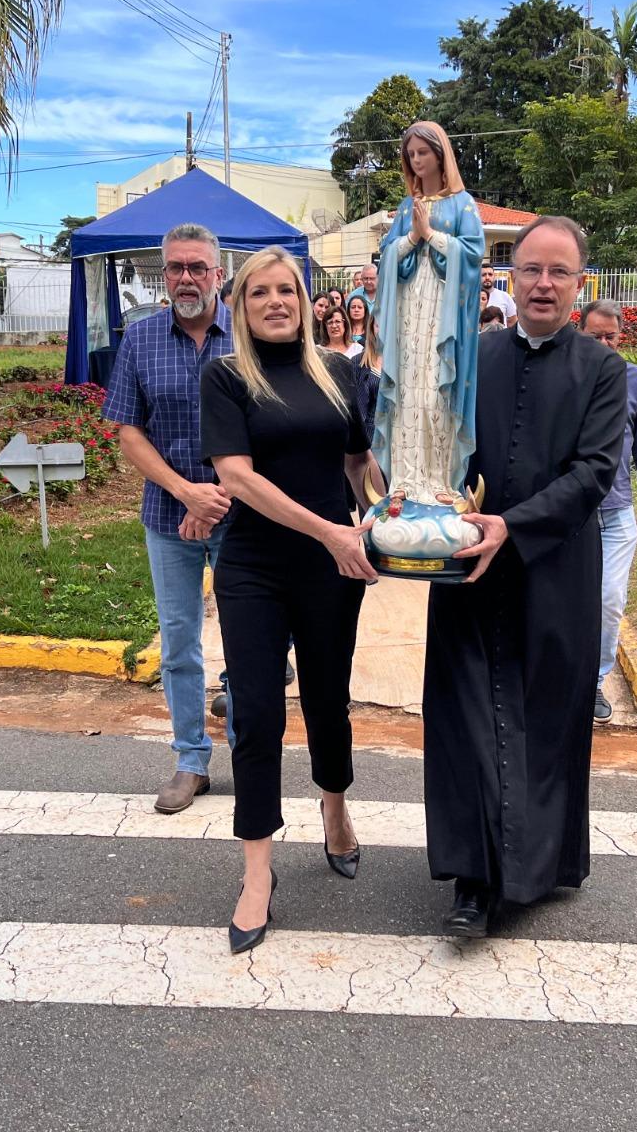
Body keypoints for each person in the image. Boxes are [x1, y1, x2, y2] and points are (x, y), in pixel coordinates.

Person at [423, 215, 628, 938]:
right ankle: (474, 883)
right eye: (531, 270)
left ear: (580, 284)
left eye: (558, 272)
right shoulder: (474, 357)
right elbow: (442, 450)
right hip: (469, 569)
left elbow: (595, 473)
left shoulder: (604, 371)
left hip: (553, 572)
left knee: (543, 724)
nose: (543, 284)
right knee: (466, 720)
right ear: (512, 278)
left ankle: (536, 870)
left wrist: (513, 526)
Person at [200, 245, 381, 954]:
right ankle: (256, 871)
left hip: (333, 567)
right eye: (258, 293)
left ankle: (335, 808)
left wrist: (392, 516)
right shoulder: (225, 377)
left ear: (306, 302)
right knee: (256, 713)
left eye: (287, 290)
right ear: (240, 306)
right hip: (254, 566)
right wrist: (330, 532)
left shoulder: (339, 372)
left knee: (330, 698)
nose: (276, 301)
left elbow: (358, 462)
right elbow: (237, 478)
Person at [103, 223, 235, 815]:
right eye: (176, 267)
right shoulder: (140, 338)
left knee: (252, 637)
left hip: (243, 516)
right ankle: (190, 760)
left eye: (197, 267)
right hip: (167, 515)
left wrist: (217, 499)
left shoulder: (251, 335)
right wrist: (188, 495)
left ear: (219, 274)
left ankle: (251, 749)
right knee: (180, 642)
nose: (186, 278)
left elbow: (271, 428)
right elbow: (128, 433)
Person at [371, 121, 485, 512]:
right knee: (406, 391)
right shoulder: (407, 207)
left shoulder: (463, 203)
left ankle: (440, 479)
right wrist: (413, 237)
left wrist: (433, 236)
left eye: (422, 152)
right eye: (411, 155)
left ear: (440, 154)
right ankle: (402, 479)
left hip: (444, 314)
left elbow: (472, 255)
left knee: (439, 391)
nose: (416, 160)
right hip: (408, 314)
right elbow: (388, 257)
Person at [578, 300, 637, 722]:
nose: (605, 344)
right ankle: (559, 678)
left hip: (616, 514)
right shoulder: (569, 375)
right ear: (580, 334)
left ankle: (593, 683)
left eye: (611, 336)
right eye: (596, 337)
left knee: (609, 600)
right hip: (571, 515)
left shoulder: (635, 379)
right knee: (566, 603)